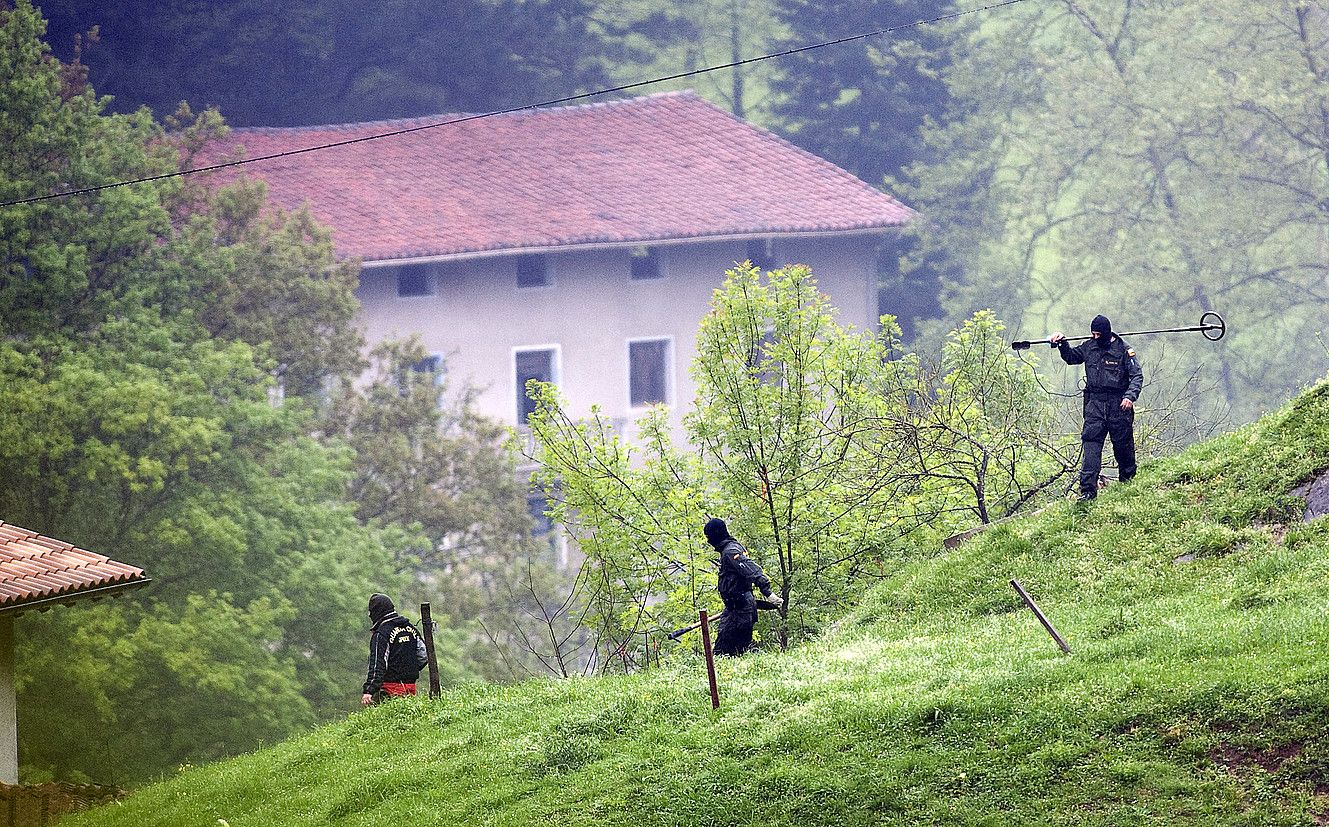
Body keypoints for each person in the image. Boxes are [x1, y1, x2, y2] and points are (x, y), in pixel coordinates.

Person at [1050, 314, 1143, 502]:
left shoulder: (1124, 350)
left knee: (1123, 447)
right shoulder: (1089, 347)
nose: (1095, 337)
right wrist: (1062, 343)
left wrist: (1129, 397)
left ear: (1106, 333)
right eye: (1092, 334)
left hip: (1119, 405)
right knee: (1091, 446)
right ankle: (1087, 491)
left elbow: (1136, 376)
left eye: (1098, 334)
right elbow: (1071, 357)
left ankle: (1129, 483)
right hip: (1095, 405)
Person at [704, 518, 782, 657]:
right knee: (725, 653)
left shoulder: (731, 551)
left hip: (741, 610)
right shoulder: (730, 549)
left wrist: (768, 593)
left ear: (716, 534)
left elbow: (752, 570)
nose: (708, 541)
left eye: (708, 537)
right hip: (733, 609)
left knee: (726, 654)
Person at [361, 593, 428, 706]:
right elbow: (424, 655)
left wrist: (369, 690)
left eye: (371, 611)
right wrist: (408, 670)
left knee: (383, 722)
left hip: (389, 690)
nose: (369, 615)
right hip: (411, 688)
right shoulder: (410, 628)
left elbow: (378, 664)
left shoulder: (381, 634)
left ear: (377, 611)